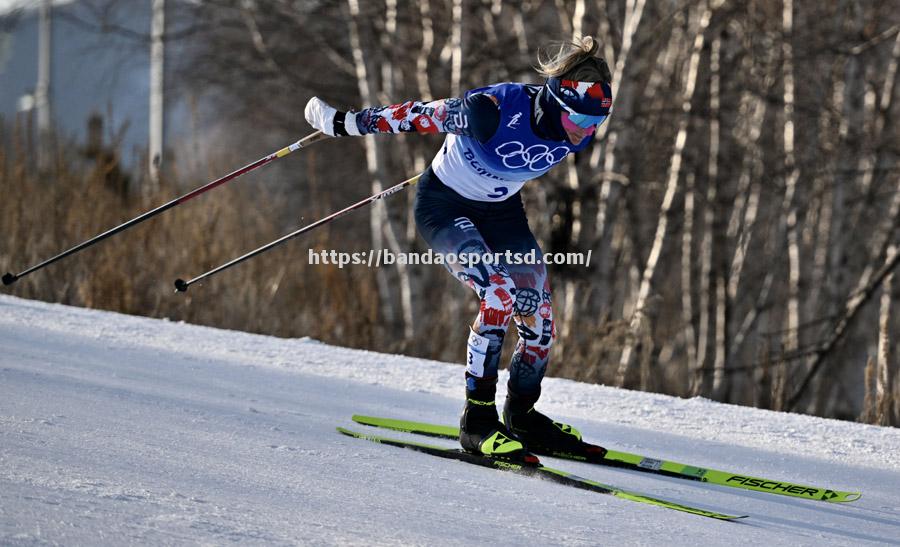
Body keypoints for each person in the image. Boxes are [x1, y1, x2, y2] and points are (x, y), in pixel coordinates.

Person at [305, 37, 612, 460]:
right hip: (444, 208)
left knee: (539, 312)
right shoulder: (492, 111)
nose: (588, 130)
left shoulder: (575, 128)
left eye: (598, 120)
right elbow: (414, 116)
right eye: (581, 117)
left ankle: (522, 417)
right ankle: (478, 422)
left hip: (502, 213)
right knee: (500, 294)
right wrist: (343, 123)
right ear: (558, 100)